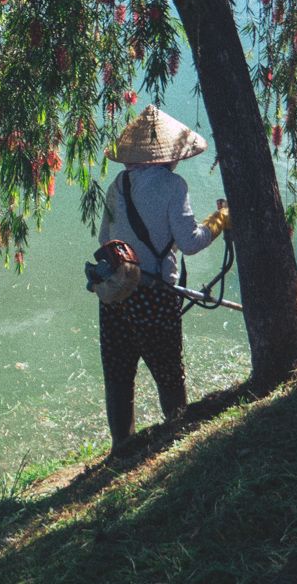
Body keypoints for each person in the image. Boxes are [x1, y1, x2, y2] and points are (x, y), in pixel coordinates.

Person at [97, 105, 229, 448]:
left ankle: (121, 448)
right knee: (168, 371)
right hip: (154, 295)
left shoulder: (118, 184)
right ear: (170, 155)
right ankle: (177, 437)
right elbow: (190, 242)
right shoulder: (173, 186)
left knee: (119, 373)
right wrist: (220, 219)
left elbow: (104, 240)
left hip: (118, 292)